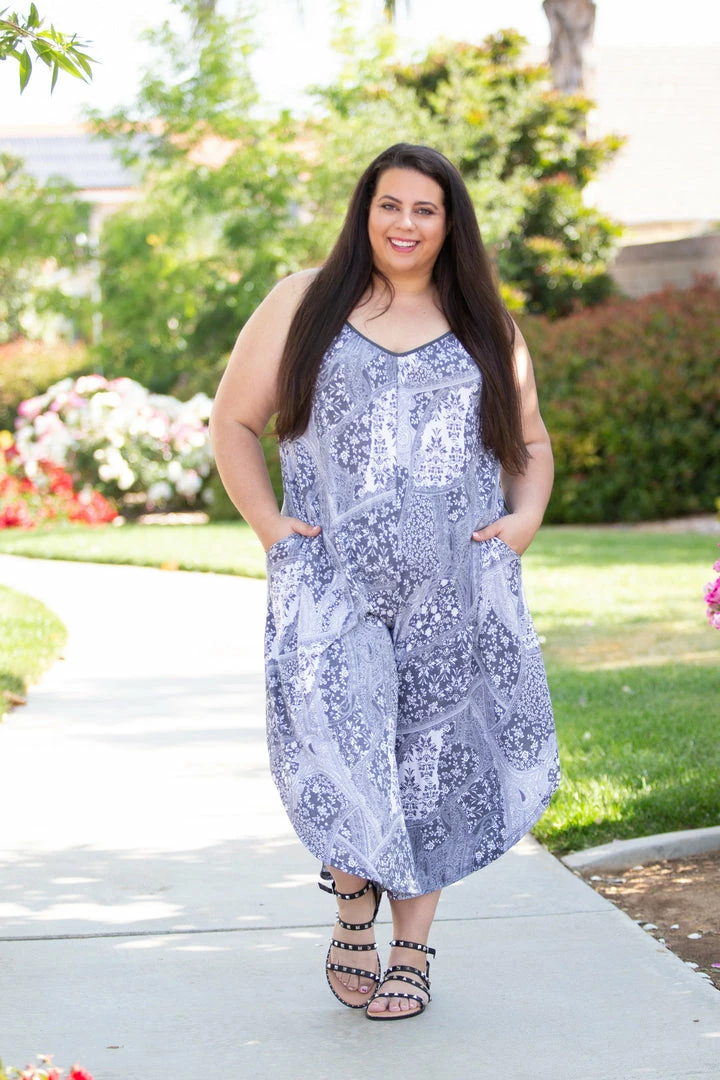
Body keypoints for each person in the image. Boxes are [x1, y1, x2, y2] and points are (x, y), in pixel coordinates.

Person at [210, 143, 560, 1021]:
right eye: (390, 205)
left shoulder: (481, 320)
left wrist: (522, 520)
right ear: (365, 211)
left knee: (429, 764)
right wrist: (271, 529)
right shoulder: (303, 301)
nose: (405, 224)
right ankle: (351, 899)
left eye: (424, 209)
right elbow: (234, 422)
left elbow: (530, 441)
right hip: (333, 583)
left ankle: (411, 950)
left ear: (449, 223)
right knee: (341, 738)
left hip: (451, 590)